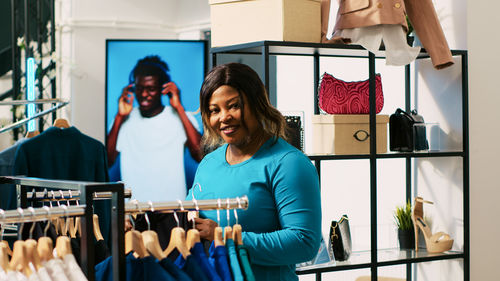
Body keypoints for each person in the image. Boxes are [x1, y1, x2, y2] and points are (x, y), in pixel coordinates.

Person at [187, 63, 322, 281]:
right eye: (214, 110)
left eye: (233, 106)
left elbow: (304, 243)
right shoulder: (209, 163)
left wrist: (225, 236)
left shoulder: (289, 164)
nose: (224, 117)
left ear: (257, 104)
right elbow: (190, 216)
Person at [107, 55, 202, 202]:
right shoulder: (123, 120)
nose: (144, 94)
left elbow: (200, 155)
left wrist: (179, 108)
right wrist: (119, 117)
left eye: (151, 89)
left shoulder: (180, 117)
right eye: (140, 88)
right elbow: (107, 161)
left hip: (172, 209)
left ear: (163, 89)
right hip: (133, 210)